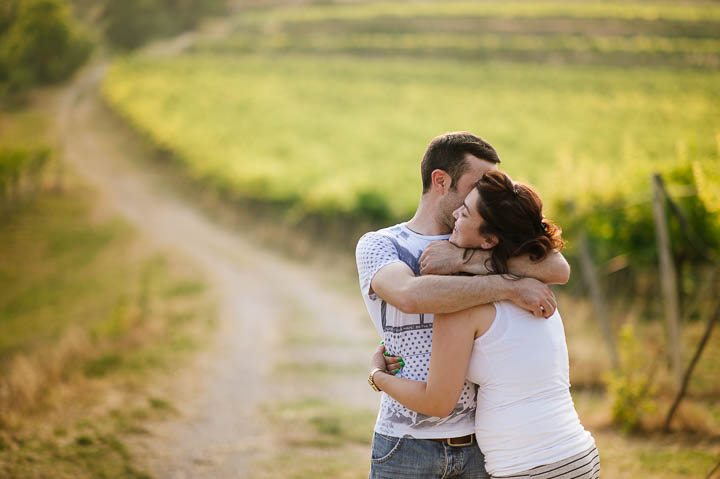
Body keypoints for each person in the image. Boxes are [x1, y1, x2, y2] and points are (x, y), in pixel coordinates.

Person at [356, 132, 571, 479]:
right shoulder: (381, 244)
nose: (482, 193)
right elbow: (410, 295)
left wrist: (464, 256)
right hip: (406, 445)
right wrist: (508, 286)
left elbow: (557, 267)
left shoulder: (477, 236)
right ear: (441, 180)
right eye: (476, 184)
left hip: (480, 446)